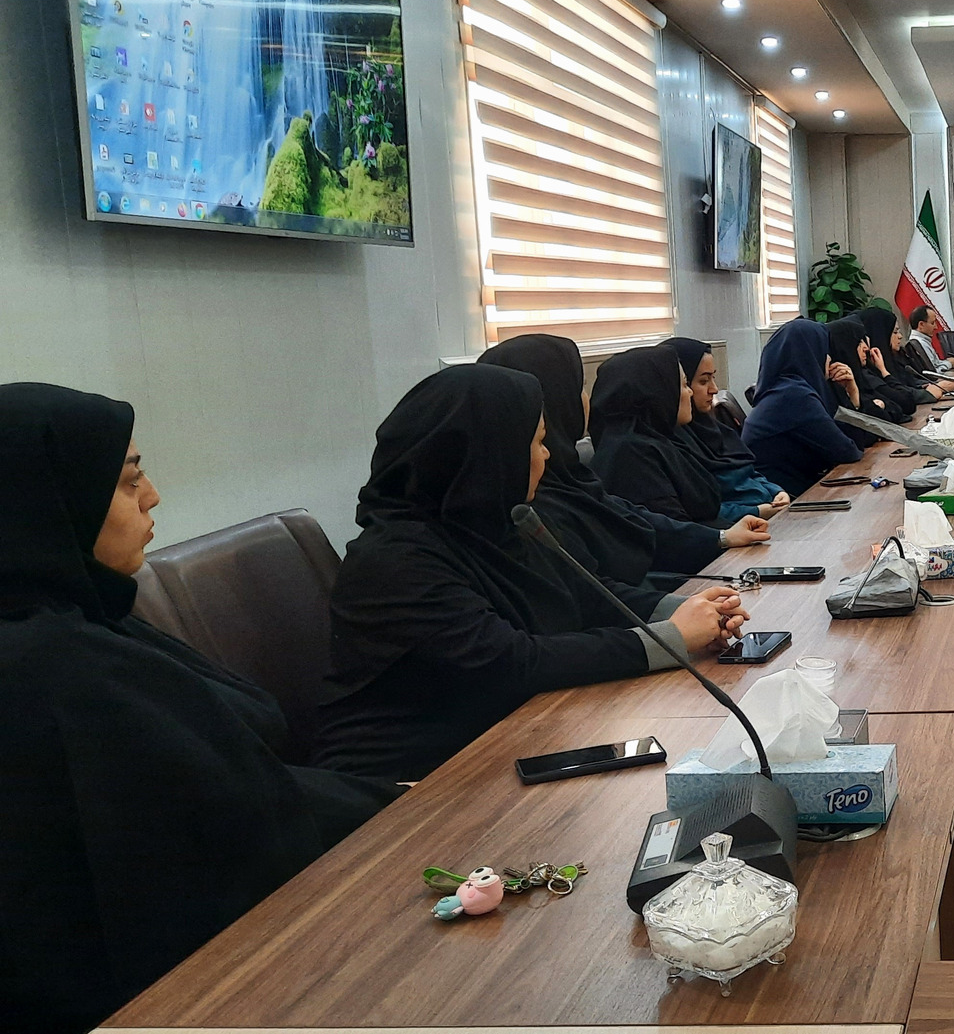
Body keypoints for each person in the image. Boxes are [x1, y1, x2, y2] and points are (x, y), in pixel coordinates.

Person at [0, 383, 398, 1032]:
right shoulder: (53, 667)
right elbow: (219, 831)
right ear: (42, 503)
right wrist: (392, 809)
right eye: (128, 481)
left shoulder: (88, 617)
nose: (153, 496)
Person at [313, 365, 747, 784]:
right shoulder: (394, 561)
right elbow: (511, 663)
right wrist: (671, 638)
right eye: (537, 442)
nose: (547, 454)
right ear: (490, 454)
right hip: (411, 778)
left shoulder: (498, 522)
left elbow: (588, 593)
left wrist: (689, 611)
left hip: (509, 731)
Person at [477, 335, 769, 582]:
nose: (586, 399)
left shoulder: (570, 473)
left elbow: (632, 518)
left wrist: (721, 537)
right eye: (579, 387)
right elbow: (597, 591)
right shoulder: (532, 499)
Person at [589, 346, 736, 526]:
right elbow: (675, 530)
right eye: (683, 385)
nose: (689, 392)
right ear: (656, 392)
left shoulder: (663, 440)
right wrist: (725, 536)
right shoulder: (631, 454)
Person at [663, 337, 791, 522]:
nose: (714, 389)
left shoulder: (714, 428)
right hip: (740, 526)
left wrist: (776, 491)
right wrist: (756, 511)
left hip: (769, 514)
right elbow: (700, 511)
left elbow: (748, 472)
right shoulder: (673, 445)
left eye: (713, 378)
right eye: (703, 381)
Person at [741, 319, 866, 495]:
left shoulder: (786, 388)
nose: (829, 358)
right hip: (783, 499)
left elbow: (854, 444)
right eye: (824, 350)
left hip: (788, 489)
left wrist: (852, 394)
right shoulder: (793, 396)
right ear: (809, 352)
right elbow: (848, 451)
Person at [858, 306, 954, 404]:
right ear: (881, 336)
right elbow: (900, 396)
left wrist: (927, 386)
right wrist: (928, 393)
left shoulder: (894, 358)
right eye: (895, 332)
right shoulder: (868, 372)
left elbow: (909, 380)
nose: (900, 336)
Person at [828, 315, 912, 423]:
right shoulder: (841, 381)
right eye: (859, 342)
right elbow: (904, 403)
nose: (866, 348)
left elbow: (897, 409)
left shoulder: (860, 376)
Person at [904, 305, 950, 372]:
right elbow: (933, 373)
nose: (936, 327)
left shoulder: (922, 341)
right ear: (921, 324)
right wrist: (949, 364)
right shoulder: (921, 344)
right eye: (932, 323)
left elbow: (935, 364)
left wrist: (946, 362)